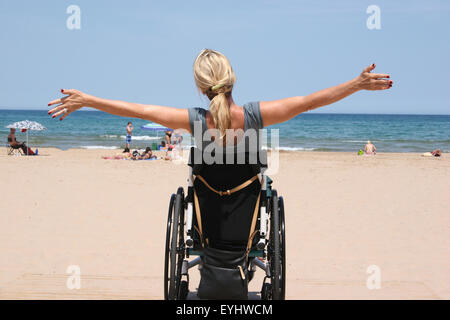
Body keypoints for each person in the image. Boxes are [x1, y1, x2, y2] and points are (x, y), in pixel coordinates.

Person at [48, 49, 392, 164]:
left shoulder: (195, 119)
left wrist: (89, 100)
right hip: (248, 211)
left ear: (200, 86)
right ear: (233, 79)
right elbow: (308, 102)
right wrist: (356, 84)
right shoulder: (255, 116)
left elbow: (137, 110)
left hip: (206, 213)